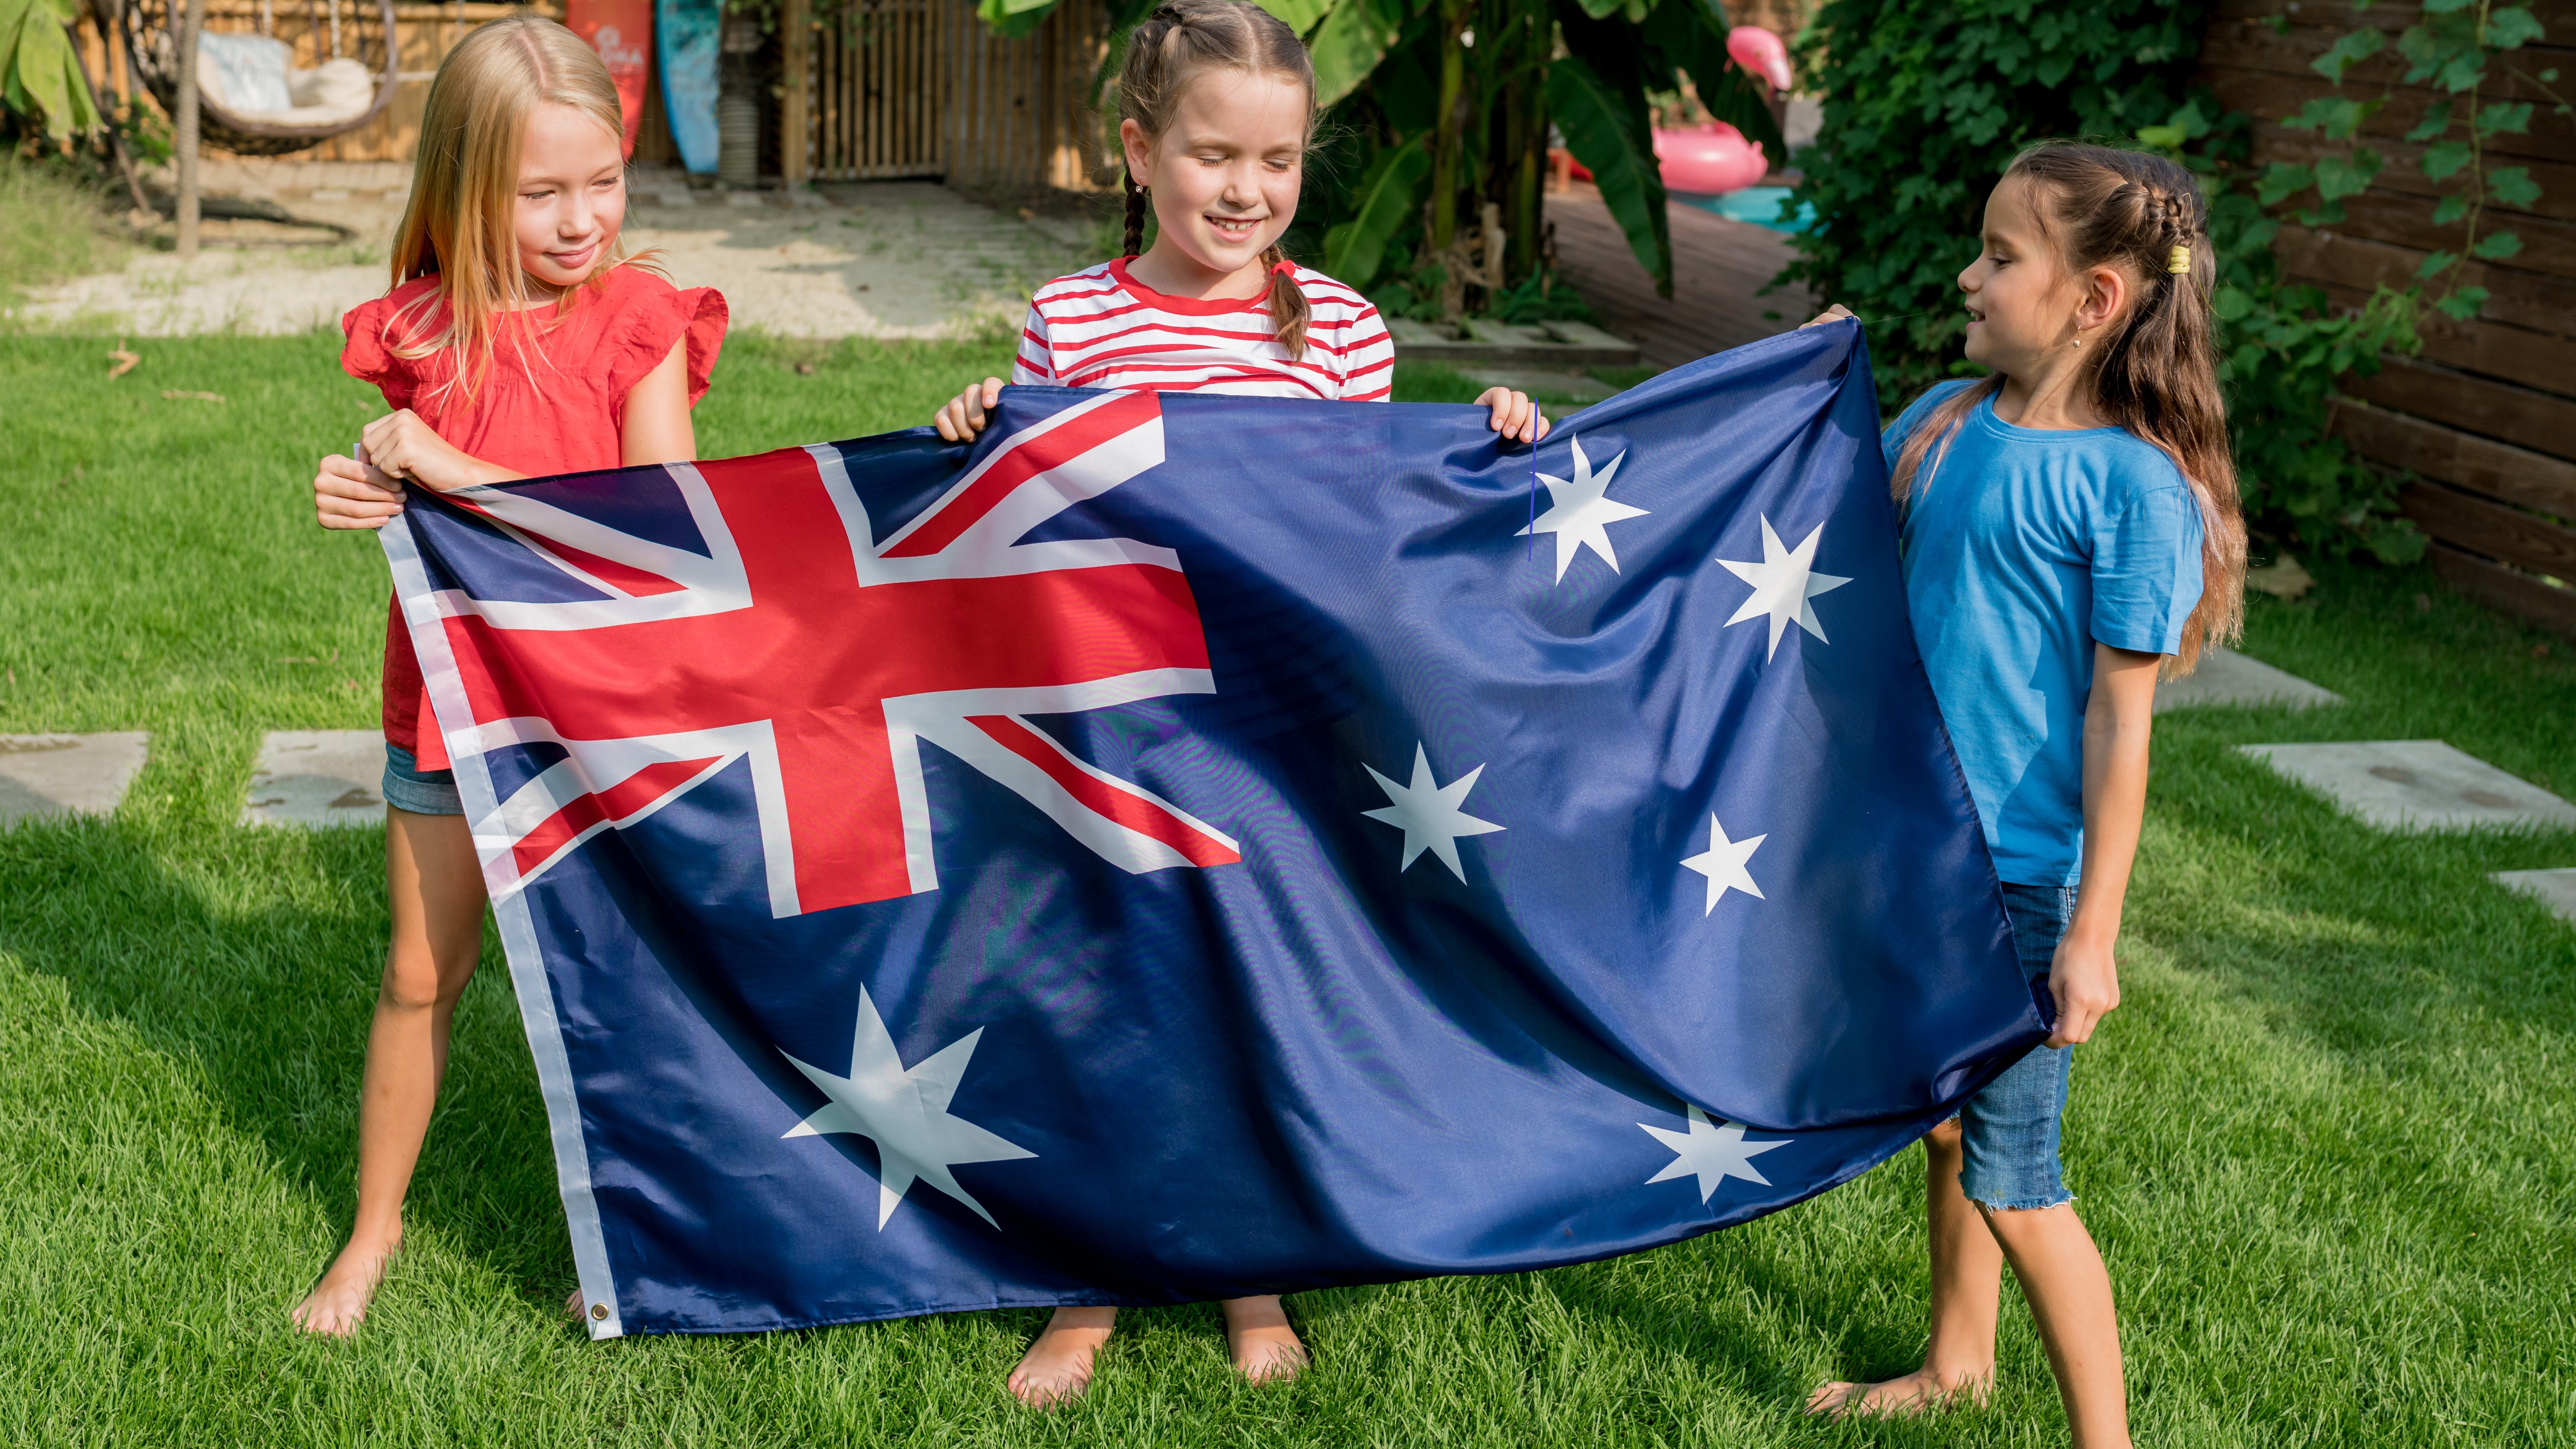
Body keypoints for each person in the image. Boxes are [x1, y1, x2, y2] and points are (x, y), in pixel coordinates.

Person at [930, 0, 1548, 1407]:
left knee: (1249, 995)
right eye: (1215, 156)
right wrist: (982, 425)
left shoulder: (1340, 328)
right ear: (1141, 151)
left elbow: (1372, 524)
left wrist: (1495, 441)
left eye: (1277, 163)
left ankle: (1246, 1272)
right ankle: (1087, 1291)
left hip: (1271, 735)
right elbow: (1022, 526)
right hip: (1114, 722)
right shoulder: (1072, 319)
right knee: (1112, 999)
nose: (1246, 191)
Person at [1799, 142, 2246, 1447]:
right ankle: (1958, 1363)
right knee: (1948, 1136)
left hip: (2014, 884)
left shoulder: (2132, 485)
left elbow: (2122, 727)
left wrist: (2094, 935)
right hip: (1908, 845)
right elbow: (1811, 513)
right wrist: (1809, 391)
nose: (1968, 274)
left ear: (2095, 299)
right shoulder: (1944, 422)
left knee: (2018, 1178)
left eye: (2001, 257)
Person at [291, 14, 725, 1336]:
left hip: (606, 718)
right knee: (423, 971)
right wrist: (362, 482)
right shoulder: (418, 332)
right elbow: (407, 480)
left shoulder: (639, 321)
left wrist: (445, 467)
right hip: (450, 704)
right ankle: (374, 1232)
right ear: (467, 186)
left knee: (630, 977)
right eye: (542, 194)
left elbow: (649, 524)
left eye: (604, 183)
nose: (583, 218)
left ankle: (651, 1238)